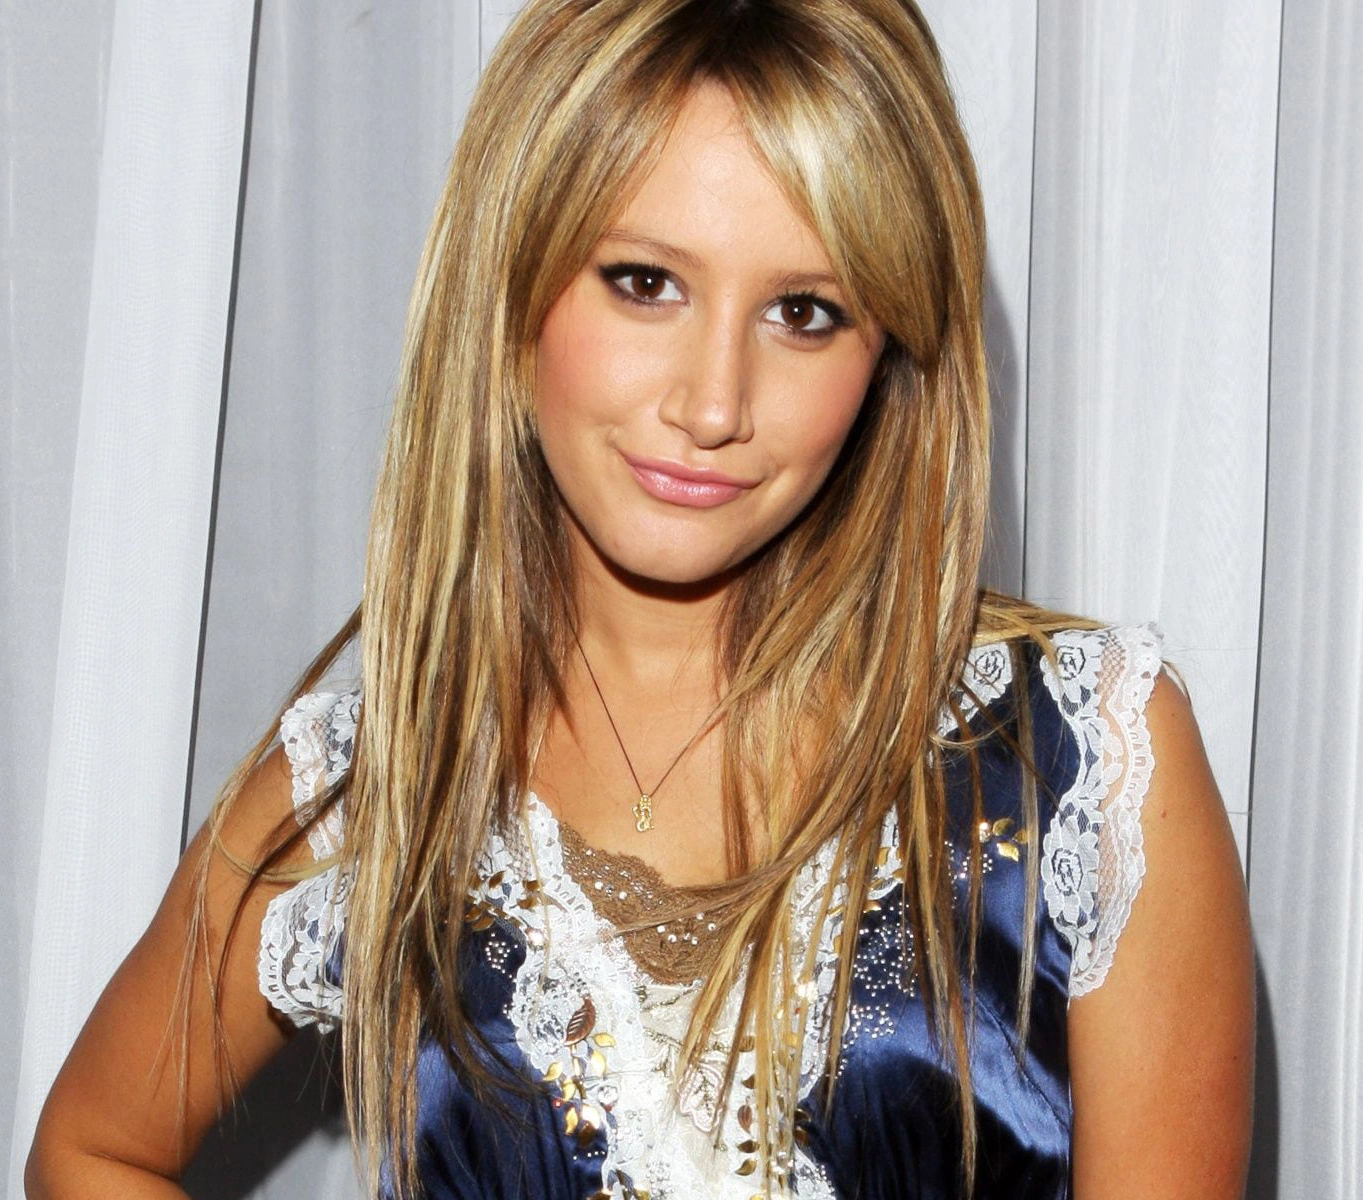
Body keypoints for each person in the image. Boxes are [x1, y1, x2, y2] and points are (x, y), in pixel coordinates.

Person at [25, 0, 1255, 1196]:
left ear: (888, 351)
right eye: (645, 282)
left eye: (804, 313)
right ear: (512, 280)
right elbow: (88, 1151)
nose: (712, 403)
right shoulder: (374, 792)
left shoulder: (1081, 762)